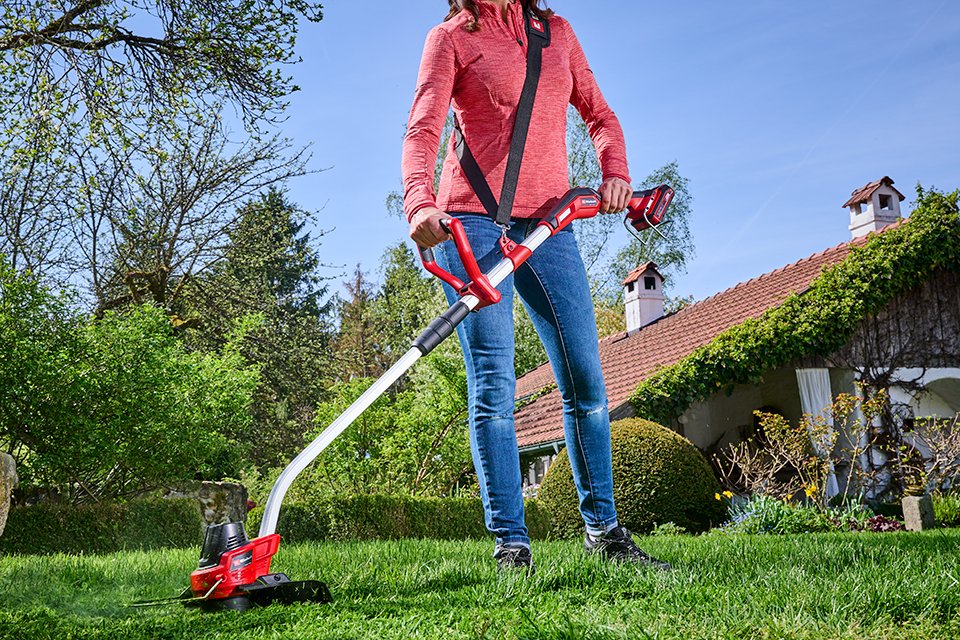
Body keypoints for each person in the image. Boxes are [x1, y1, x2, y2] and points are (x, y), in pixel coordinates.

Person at [401, 0, 670, 573]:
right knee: (494, 386)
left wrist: (615, 171)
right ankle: (511, 545)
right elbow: (423, 127)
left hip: (552, 221)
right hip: (469, 220)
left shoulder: (558, 34)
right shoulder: (449, 38)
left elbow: (599, 114)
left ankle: (605, 533)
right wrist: (418, 202)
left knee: (585, 380)